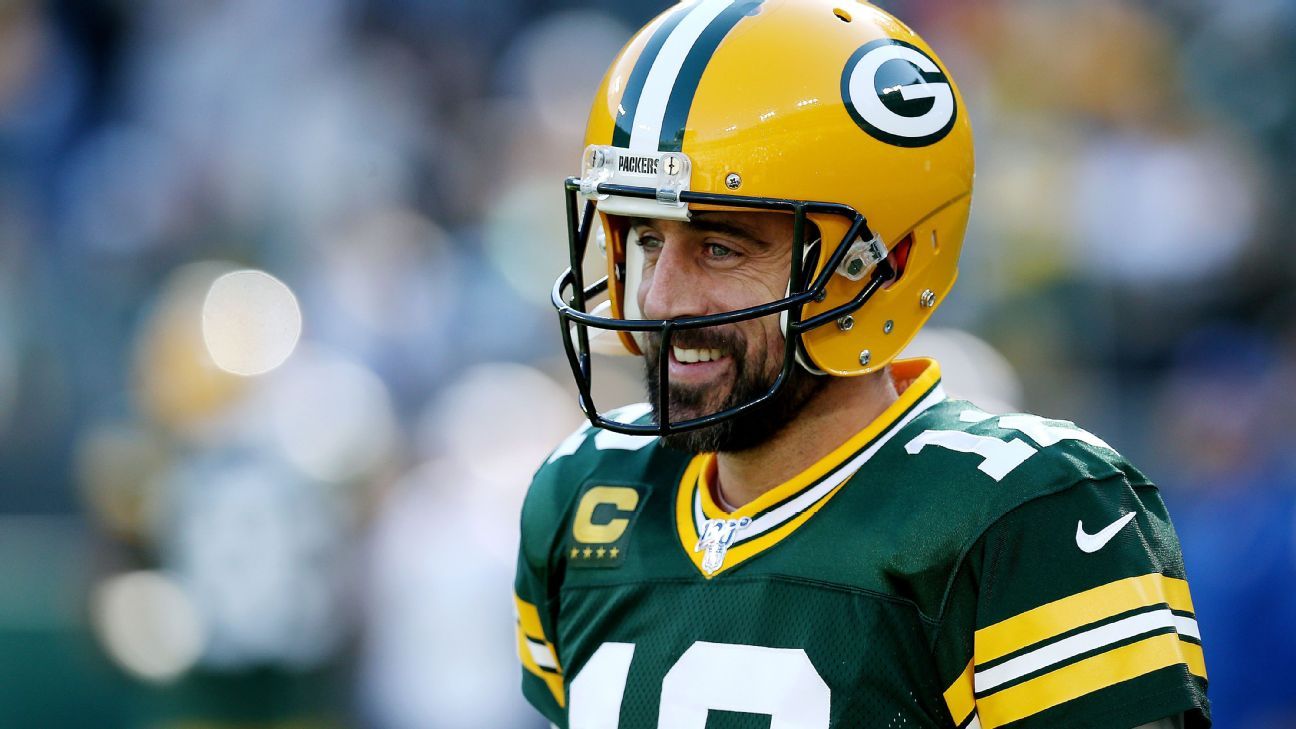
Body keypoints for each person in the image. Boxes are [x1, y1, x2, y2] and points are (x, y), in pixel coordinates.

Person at [515, 1, 1210, 727]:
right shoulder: (583, 492)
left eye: (719, 247)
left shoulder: (1025, 512)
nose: (659, 299)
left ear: (883, 264)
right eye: (647, 241)